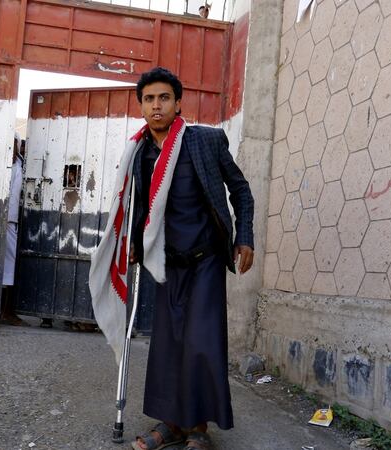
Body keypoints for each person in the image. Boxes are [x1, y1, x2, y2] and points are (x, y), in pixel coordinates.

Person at [128, 67, 254, 450]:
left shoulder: (205, 141)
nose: (157, 105)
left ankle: (198, 427)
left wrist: (245, 237)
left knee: (201, 342)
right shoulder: (139, 153)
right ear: (142, 106)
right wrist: (133, 244)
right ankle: (171, 425)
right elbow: (138, 206)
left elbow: (241, 190)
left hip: (206, 260)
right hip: (168, 263)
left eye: (164, 98)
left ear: (178, 103)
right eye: (149, 99)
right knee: (168, 345)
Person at [1, 136, 24, 325]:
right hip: (3, 216)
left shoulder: (18, 164)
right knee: (5, 263)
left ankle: (6, 310)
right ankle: (4, 311)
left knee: (9, 264)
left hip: (11, 218)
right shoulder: (5, 165)